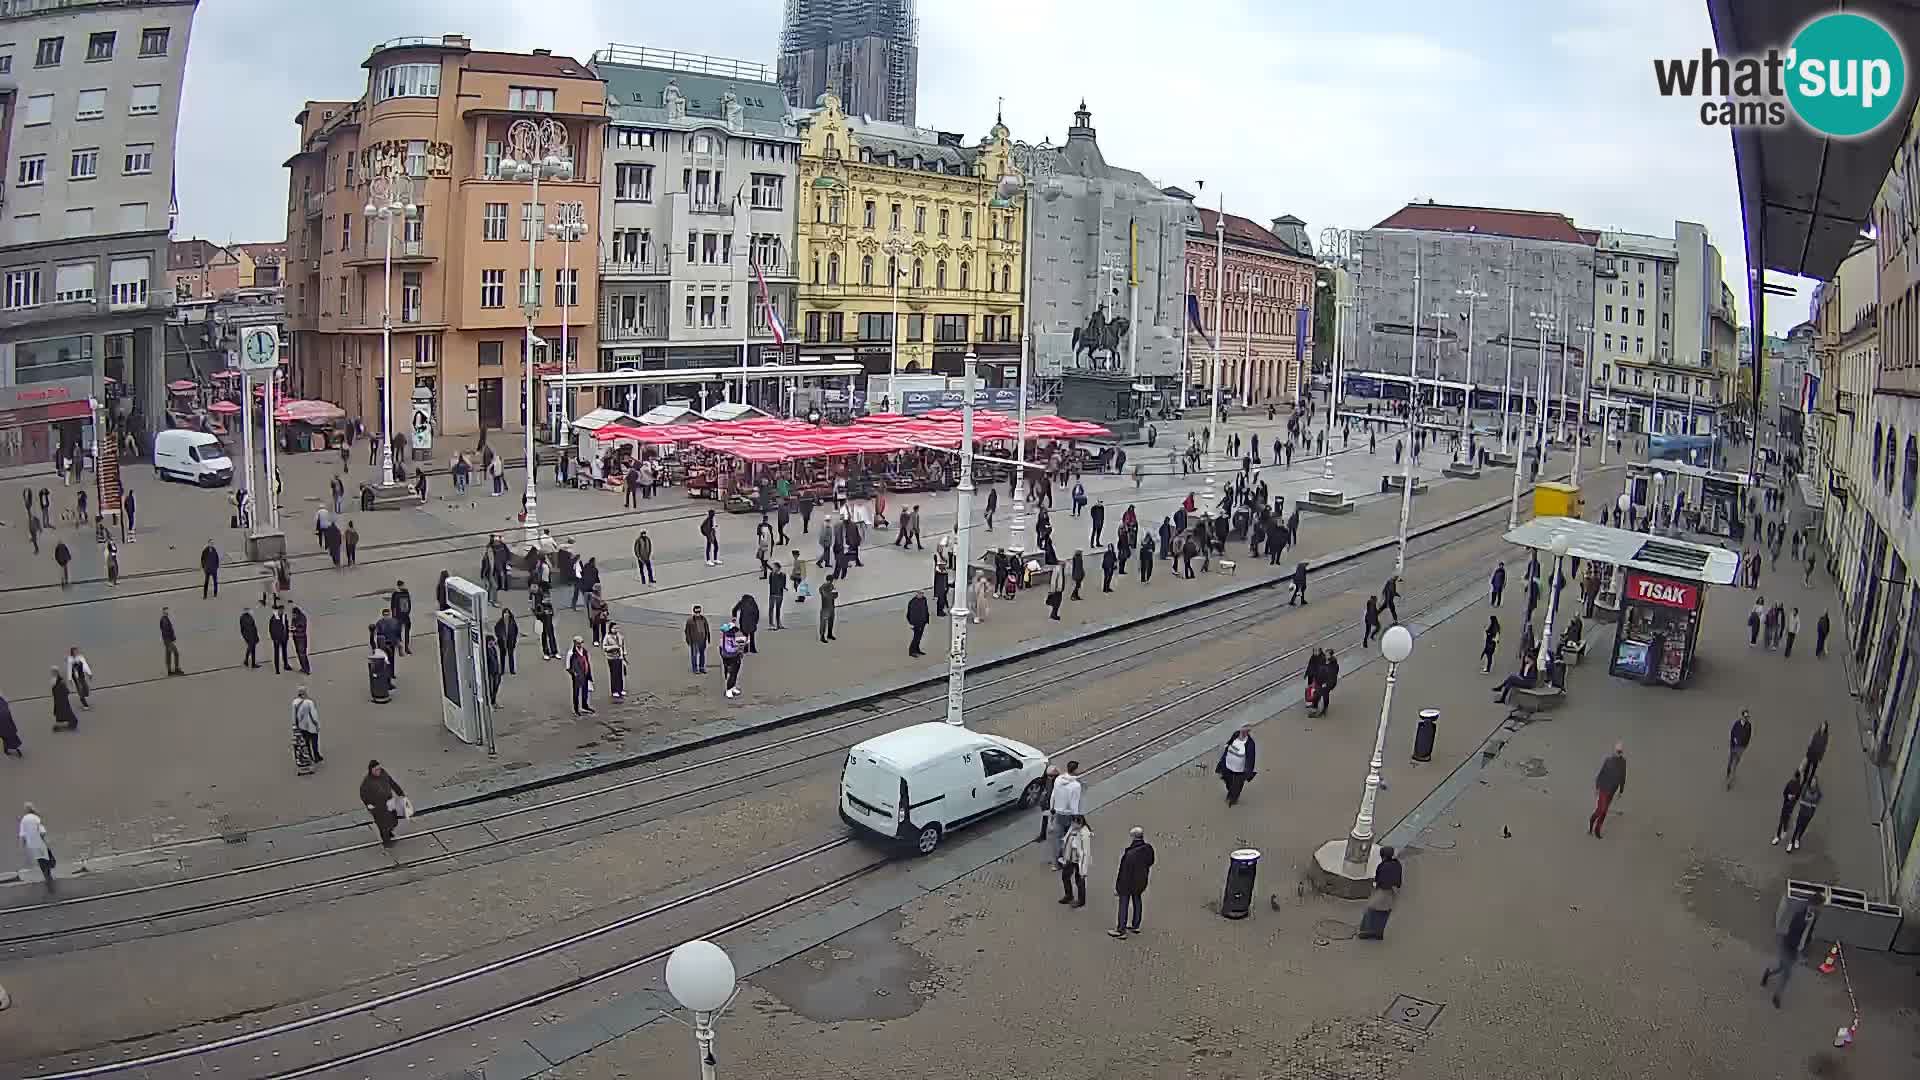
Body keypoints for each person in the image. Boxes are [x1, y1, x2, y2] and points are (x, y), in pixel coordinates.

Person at [1760, 896, 1817, 1009]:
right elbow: (1793, 930)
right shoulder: (1801, 913)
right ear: (1813, 904)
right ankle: (1777, 996)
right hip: (1789, 946)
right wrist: (1798, 947)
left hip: (1794, 948)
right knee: (1786, 975)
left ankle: (1768, 973)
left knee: (1782, 968)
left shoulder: (1811, 916)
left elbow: (1808, 933)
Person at [1110, 826, 1156, 939]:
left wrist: (1118, 887)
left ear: (1133, 837)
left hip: (1128, 883)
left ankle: (1121, 930)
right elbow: (1151, 862)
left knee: (1123, 905)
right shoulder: (1148, 848)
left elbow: (1124, 872)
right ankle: (1136, 925)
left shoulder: (1130, 854)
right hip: (1141, 881)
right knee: (1137, 900)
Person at [1356, 845, 1403, 940]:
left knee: (1370, 910)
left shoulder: (1382, 866)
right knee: (1384, 914)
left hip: (1383, 892)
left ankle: (1365, 932)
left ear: (1383, 856)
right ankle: (1379, 933)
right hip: (1393, 894)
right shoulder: (1397, 864)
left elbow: (1379, 880)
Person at [359, 761, 407, 846]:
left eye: (379, 769)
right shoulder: (367, 782)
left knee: (393, 820)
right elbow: (363, 794)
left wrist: (401, 793)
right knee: (383, 824)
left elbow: (392, 783)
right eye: (376, 770)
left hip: (389, 802)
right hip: (378, 806)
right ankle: (386, 842)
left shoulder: (383, 773)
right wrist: (368, 804)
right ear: (371, 770)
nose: (378, 771)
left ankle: (389, 832)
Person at [1590, 741, 1628, 838]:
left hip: (1612, 791)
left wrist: (1621, 790)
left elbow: (1623, 776)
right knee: (1601, 810)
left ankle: (1597, 829)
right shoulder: (1608, 761)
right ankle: (1592, 820)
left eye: (1620, 752)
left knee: (1604, 811)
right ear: (1614, 751)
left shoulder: (1623, 762)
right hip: (1603, 789)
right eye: (1618, 751)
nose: (1619, 753)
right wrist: (1597, 787)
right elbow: (1601, 774)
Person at [1049, 761, 1083, 865]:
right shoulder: (1076, 786)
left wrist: (1052, 809)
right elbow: (1074, 804)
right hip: (1068, 815)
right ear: (1075, 770)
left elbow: (1053, 796)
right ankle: (1068, 858)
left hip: (1058, 812)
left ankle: (1057, 861)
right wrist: (1076, 817)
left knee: (1058, 838)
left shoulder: (1058, 779)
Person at [1215, 727, 1257, 805]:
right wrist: (1222, 761)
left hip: (1240, 771)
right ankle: (1230, 792)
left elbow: (1251, 759)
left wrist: (1248, 772)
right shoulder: (1235, 735)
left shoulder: (1250, 744)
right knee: (1228, 783)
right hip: (1228, 766)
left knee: (1237, 787)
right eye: (1242, 730)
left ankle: (1232, 799)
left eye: (1245, 731)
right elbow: (1228, 747)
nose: (1243, 732)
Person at [1058, 815, 1092, 908]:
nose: (1072, 824)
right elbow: (1066, 838)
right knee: (1065, 876)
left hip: (1078, 860)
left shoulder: (1084, 834)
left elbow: (1086, 852)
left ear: (1080, 823)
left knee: (1079, 880)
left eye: (1074, 823)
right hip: (1070, 857)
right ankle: (1069, 895)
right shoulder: (1073, 828)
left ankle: (1081, 900)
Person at [19, 804, 54, 892]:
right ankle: (49, 879)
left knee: (41, 860)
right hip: (39, 842)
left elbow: (22, 835)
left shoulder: (23, 820)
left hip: (32, 844)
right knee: (47, 859)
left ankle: (47, 878)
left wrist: (24, 845)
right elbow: (42, 832)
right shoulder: (36, 818)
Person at [1785, 776, 1822, 852]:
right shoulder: (1805, 789)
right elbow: (1801, 801)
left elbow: (1816, 803)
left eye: (1814, 782)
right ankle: (1791, 842)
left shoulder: (1818, 792)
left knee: (1803, 827)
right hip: (1802, 812)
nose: (1813, 783)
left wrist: (1813, 806)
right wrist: (1808, 804)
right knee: (1797, 827)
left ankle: (1797, 839)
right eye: (1812, 782)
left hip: (1809, 814)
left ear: (1816, 783)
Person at [291, 687, 323, 774]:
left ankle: (309, 756)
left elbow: (294, 715)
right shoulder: (309, 702)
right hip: (311, 726)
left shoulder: (295, 703)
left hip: (301, 726)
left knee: (305, 742)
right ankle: (316, 756)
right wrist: (317, 724)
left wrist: (294, 725)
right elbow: (314, 715)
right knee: (314, 741)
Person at [1772, 769, 1805, 846]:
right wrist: (1788, 796)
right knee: (1782, 819)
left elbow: (1796, 797)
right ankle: (1778, 834)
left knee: (1785, 819)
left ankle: (1783, 831)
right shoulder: (1791, 784)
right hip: (1787, 804)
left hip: (1789, 805)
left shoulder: (1797, 786)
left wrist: (1791, 797)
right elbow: (1785, 793)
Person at [566, 636, 595, 716]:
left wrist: (588, 672)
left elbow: (587, 661)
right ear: (575, 643)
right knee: (576, 692)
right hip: (577, 675)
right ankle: (576, 709)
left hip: (585, 673)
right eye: (579, 643)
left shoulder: (584, 651)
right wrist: (574, 674)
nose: (581, 644)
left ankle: (584, 705)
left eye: (582, 642)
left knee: (585, 691)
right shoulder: (571, 653)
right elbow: (568, 667)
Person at [719, 621, 746, 698]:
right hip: (729, 658)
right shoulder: (724, 639)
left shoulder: (731, 637)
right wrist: (738, 648)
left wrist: (739, 644)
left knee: (735, 673)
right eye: (732, 630)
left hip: (735, 657)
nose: (734, 632)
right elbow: (728, 649)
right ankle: (728, 689)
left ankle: (733, 687)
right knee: (731, 674)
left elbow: (733, 644)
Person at [1727, 709, 1753, 789]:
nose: (1746, 718)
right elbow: (1732, 733)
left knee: (1735, 764)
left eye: (1747, 717)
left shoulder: (1749, 725)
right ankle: (1728, 770)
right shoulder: (1737, 724)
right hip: (1733, 746)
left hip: (1741, 748)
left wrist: (1745, 746)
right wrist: (1732, 743)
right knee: (1731, 760)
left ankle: (1729, 782)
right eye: (1745, 716)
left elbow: (1749, 736)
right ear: (1742, 716)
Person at [602, 622, 627, 702]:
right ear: (610, 628)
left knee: (620, 673)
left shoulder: (620, 636)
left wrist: (624, 655)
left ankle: (620, 689)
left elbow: (623, 645)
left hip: (619, 657)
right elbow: (604, 647)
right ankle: (614, 690)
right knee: (614, 673)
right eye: (614, 628)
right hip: (611, 657)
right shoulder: (607, 637)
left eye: (617, 628)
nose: (616, 629)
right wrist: (613, 647)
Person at [1802, 720, 1830, 788]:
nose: (1822, 727)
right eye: (1822, 726)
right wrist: (1808, 751)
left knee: (1813, 770)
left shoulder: (1826, 737)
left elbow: (1824, 747)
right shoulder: (1816, 733)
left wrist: (1821, 757)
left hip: (1817, 755)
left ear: (1825, 728)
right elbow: (1811, 742)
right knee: (1807, 767)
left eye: (1824, 726)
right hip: (1811, 753)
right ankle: (1804, 779)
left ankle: (1810, 782)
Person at [533, 588, 558, 660]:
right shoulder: (538, 600)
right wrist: (543, 612)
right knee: (544, 636)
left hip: (549, 620)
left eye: (548, 598)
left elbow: (551, 610)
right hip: (543, 620)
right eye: (546, 598)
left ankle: (554, 651)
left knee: (551, 635)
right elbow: (537, 611)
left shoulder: (548, 604)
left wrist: (550, 612)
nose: (548, 599)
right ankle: (546, 652)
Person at [685, 605, 711, 673]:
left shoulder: (703, 619)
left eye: (699, 611)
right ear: (693, 611)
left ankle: (702, 668)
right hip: (694, 641)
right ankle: (695, 669)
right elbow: (687, 631)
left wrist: (708, 638)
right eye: (696, 611)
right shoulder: (690, 620)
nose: (698, 613)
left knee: (702, 654)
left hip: (703, 640)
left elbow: (707, 628)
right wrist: (688, 641)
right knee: (694, 655)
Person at [906, 590, 931, 657]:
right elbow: (910, 614)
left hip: (923, 622)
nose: (921, 595)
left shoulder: (924, 600)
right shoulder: (913, 602)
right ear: (916, 594)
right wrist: (912, 624)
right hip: (916, 623)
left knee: (919, 637)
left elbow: (926, 609)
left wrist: (927, 619)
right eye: (920, 593)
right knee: (916, 638)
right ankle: (911, 651)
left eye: (922, 593)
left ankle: (917, 649)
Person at [390, 581, 413, 654]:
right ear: (399, 586)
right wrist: (394, 616)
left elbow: (409, 603)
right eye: (402, 585)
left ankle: (406, 647)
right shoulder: (395, 594)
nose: (404, 586)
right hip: (398, 616)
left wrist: (408, 611)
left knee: (407, 631)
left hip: (405, 615)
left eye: (403, 585)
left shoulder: (406, 592)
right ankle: (399, 643)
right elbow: (392, 606)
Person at [495, 608, 519, 675]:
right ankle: (502, 670)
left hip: (510, 641)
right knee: (502, 656)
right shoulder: (500, 622)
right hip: (502, 642)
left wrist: (514, 639)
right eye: (505, 613)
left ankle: (512, 670)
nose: (506, 614)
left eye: (507, 613)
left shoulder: (512, 621)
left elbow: (516, 630)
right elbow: (496, 629)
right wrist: (499, 637)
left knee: (511, 656)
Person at [268, 608, 291, 675]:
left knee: (284, 652)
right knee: (277, 654)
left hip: (284, 638)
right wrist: (274, 639)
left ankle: (286, 665)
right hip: (277, 639)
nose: (282, 611)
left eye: (283, 610)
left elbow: (286, 625)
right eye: (280, 610)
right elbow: (271, 630)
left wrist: (287, 635)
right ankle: (277, 669)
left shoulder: (284, 616)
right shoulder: (273, 618)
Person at [768, 562, 788, 630]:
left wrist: (784, 588)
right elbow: (770, 583)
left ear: (777, 567)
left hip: (778, 594)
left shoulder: (782, 575)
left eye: (774, 567)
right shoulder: (771, 574)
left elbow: (783, 584)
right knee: (771, 609)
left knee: (777, 609)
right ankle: (771, 624)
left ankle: (778, 623)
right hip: (773, 594)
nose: (773, 568)